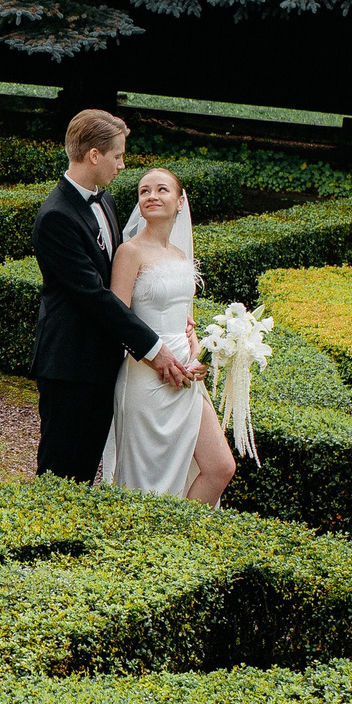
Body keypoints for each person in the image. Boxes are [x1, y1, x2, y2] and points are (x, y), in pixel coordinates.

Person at [29, 109, 177, 481]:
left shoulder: (105, 201)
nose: (122, 165)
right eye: (118, 156)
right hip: (69, 364)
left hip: (103, 363)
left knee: (85, 473)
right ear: (95, 155)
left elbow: (120, 279)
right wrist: (153, 347)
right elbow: (93, 296)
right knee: (58, 475)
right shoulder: (56, 217)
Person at [99, 168, 238, 503]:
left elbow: (184, 317)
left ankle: (181, 531)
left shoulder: (180, 255)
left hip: (187, 376)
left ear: (180, 201)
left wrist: (197, 350)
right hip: (146, 377)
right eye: (144, 191)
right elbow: (117, 319)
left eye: (162, 189)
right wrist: (158, 359)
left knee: (221, 467)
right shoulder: (130, 252)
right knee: (146, 483)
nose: (152, 196)